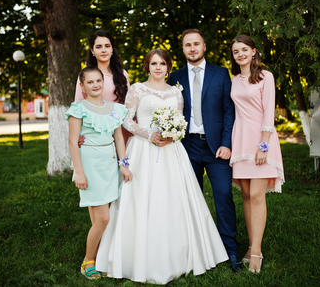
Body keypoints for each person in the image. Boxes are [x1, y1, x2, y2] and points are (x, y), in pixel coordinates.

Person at [95, 49, 228, 284]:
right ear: (147, 66)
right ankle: (135, 256)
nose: (158, 67)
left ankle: (179, 256)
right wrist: (150, 135)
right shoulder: (137, 88)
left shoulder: (176, 92)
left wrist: (172, 135)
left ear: (168, 67)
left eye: (163, 63)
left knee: (172, 199)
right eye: (154, 63)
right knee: (142, 199)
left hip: (171, 152)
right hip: (143, 150)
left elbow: (181, 121)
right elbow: (126, 119)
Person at [168, 29, 241, 272]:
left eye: (196, 44)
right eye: (187, 45)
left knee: (223, 196)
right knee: (190, 199)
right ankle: (194, 249)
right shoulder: (174, 77)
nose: (192, 48)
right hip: (186, 146)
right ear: (183, 49)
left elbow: (229, 111)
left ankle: (230, 250)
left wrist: (226, 143)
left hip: (216, 147)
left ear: (204, 46)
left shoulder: (220, 73)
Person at [66, 66, 132, 279]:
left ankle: (102, 258)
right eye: (90, 82)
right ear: (83, 86)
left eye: (98, 81)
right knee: (103, 219)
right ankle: (88, 262)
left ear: (104, 83)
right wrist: (79, 172)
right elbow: (72, 142)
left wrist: (124, 163)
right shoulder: (79, 108)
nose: (95, 85)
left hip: (110, 164)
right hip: (90, 165)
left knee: (101, 218)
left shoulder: (114, 108)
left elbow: (119, 138)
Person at [229, 34, 284, 273]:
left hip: (261, 140)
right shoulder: (233, 80)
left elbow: (268, 113)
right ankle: (251, 247)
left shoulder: (265, 76)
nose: (240, 54)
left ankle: (257, 254)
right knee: (247, 196)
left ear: (253, 51)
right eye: (235, 51)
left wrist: (264, 145)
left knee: (258, 196)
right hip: (240, 140)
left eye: (244, 50)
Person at [75, 30, 131, 143]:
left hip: (119, 129)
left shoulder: (122, 74)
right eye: (99, 46)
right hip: (95, 129)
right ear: (92, 50)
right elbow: (78, 105)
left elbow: (128, 104)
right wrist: (77, 133)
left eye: (107, 46)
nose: (104, 50)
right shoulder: (86, 75)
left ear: (112, 49)